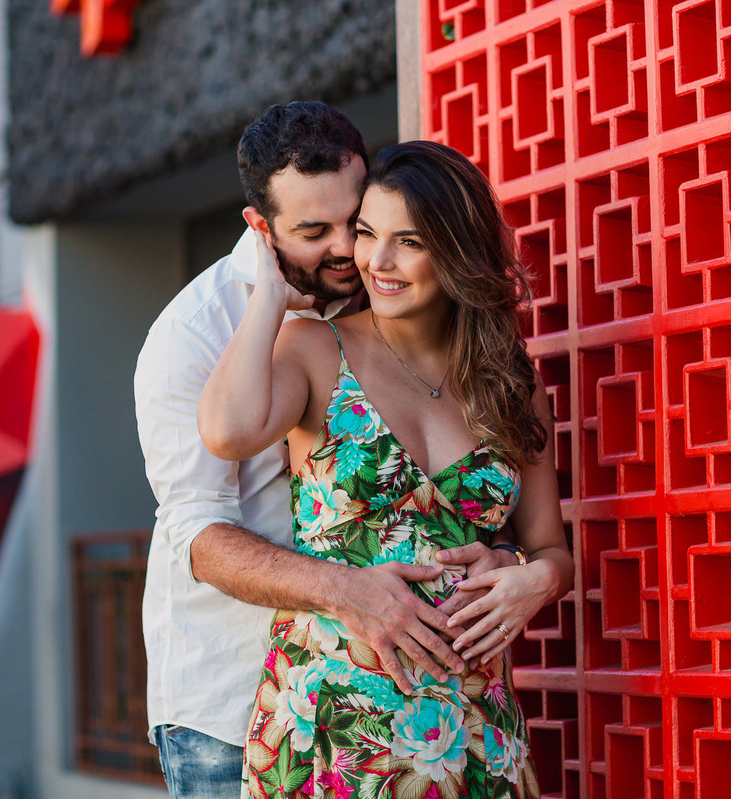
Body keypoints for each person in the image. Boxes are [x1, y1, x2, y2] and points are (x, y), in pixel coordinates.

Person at [134, 104, 519, 799]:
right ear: (261, 228)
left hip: (433, 706)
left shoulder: (386, 291)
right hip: (234, 697)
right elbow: (198, 533)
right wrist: (348, 591)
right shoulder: (193, 333)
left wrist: (514, 562)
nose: (350, 250)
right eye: (315, 232)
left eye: (357, 219)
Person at [199, 140, 574, 799]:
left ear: (457, 251)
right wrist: (270, 295)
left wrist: (534, 579)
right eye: (368, 234)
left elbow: (551, 549)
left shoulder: (509, 382)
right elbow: (228, 431)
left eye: (409, 242)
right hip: (333, 733)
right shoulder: (314, 348)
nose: (377, 260)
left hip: (475, 724)